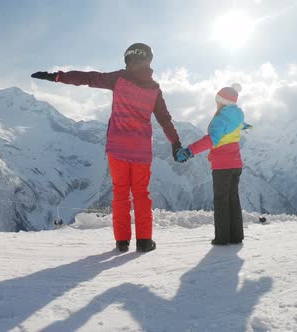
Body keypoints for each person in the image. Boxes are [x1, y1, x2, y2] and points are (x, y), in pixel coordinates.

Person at [31, 43, 183, 253]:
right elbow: (165, 120)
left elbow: (88, 78)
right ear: (149, 60)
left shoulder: (119, 78)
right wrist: (175, 143)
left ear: (127, 59)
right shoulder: (154, 89)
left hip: (117, 147)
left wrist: (57, 76)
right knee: (141, 194)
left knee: (120, 194)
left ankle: (122, 242)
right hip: (141, 151)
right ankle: (145, 241)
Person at [176, 83, 251, 245]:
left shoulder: (220, 118)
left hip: (222, 166)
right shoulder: (237, 115)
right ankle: (236, 236)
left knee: (221, 201)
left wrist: (190, 151)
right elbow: (238, 125)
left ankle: (222, 238)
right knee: (233, 199)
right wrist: (245, 126)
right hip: (236, 164)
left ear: (221, 101)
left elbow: (212, 139)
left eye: (218, 100)